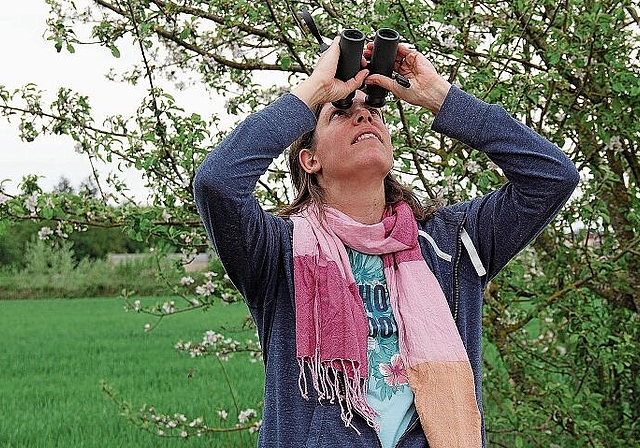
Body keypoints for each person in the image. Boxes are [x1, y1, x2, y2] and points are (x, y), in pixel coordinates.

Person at [193, 36, 579, 448]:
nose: (364, 117)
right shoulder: (277, 251)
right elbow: (217, 183)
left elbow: (552, 178)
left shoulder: (453, 241)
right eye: (341, 113)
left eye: (373, 109)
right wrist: (313, 92)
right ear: (310, 160)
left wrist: (439, 96)